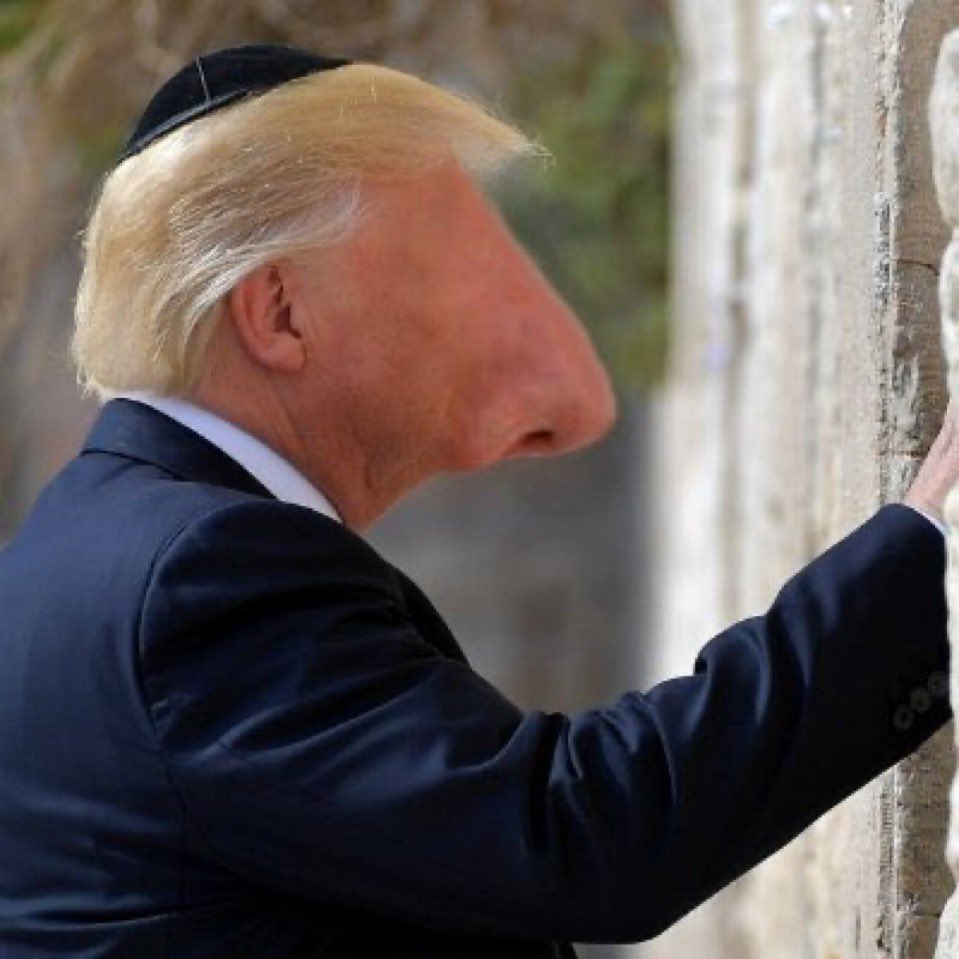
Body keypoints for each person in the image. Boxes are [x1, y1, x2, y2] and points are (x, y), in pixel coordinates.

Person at [0, 43, 954, 959]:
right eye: (435, 267)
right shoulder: (195, 583)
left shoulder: (88, 553)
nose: (477, 320)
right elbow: (579, 830)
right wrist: (930, 550)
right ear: (279, 312)